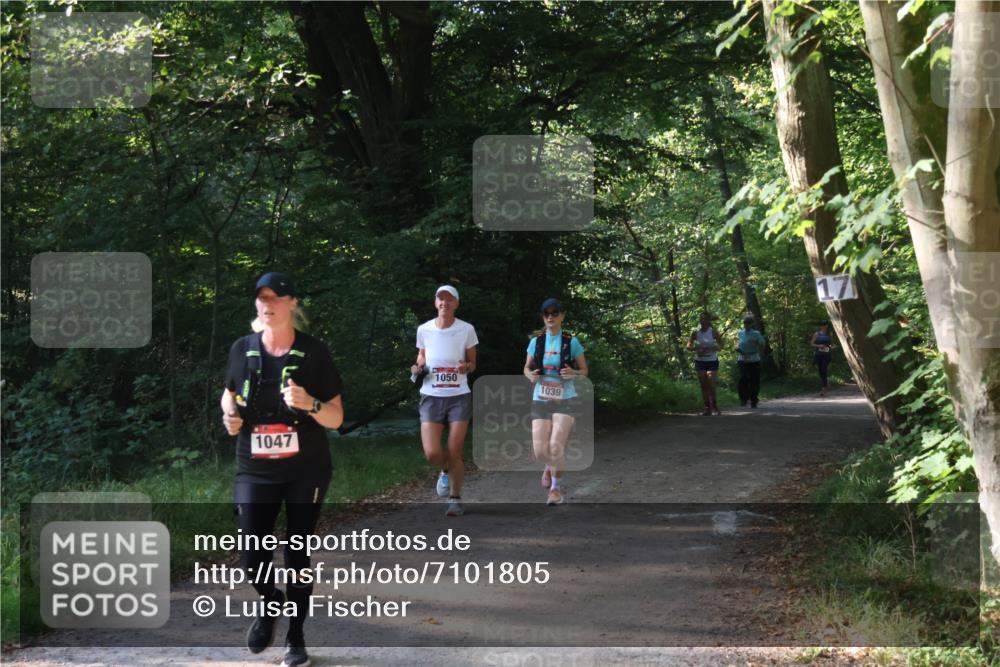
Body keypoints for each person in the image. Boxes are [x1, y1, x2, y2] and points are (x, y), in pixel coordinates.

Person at [221, 272, 344, 667]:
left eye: (276, 297)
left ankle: (296, 638)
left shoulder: (315, 352)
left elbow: (337, 418)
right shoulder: (242, 349)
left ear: (292, 302)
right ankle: (271, 601)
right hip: (254, 467)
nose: (267, 303)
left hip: (305, 468)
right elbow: (228, 393)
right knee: (251, 553)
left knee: (296, 553)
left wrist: (309, 403)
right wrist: (229, 416)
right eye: (261, 297)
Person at [410, 285, 479, 516]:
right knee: (432, 453)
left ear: (456, 304)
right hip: (431, 395)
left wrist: (465, 367)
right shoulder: (424, 329)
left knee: (454, 450)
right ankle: (445, 470)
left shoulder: (466, 329)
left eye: (449, 300)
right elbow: (422, 354)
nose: (444, 304)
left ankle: (455, 498)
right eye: (441, 299)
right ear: (435, 303)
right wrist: (418, 366)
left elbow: (473, 363)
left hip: (458, 395)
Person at [523, 298, 588, 505]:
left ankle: (555, 489)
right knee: (541, 451)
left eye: (555, 313)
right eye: (546, 313)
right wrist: (530, 375)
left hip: (565, 398)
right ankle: (548, 466)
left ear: (562, 315)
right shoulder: (536, 342)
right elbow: (526, 368)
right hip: (541, 396)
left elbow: (584, 371)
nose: (550, 317)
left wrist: (574, 373)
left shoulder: (571, 342)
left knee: (555, 446)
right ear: (543, 316)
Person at [688, 312, 724, 415]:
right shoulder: (695, 333)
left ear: (708, 321)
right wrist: (696, 348)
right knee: (703, 385)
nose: (702, 320)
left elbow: (721, 345)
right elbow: (688, 346)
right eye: (700, 318)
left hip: (712, 360)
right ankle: (707, 407)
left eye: (704, 319)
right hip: (700, 361)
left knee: (711, 385)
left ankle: (715, 406)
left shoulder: (713, 332)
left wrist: (712, 348)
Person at [736, 315, 767, 408]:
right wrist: (737, 348)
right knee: (744, 378)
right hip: (742, 358)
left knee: (754, 380)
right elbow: (738, 344)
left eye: (748, 323)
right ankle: (743, 399)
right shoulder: (740, 333)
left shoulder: (756, 333)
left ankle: (754, 400)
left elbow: (762, 343)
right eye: (745, 323)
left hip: (753, 358)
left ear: (751, 324)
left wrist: (760, 343)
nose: (746, 324)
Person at [810, 320, 836, 397]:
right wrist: (819, 346)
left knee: (824, 370)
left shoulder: (830, 334)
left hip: (827, 354)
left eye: (825, 325)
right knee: (820, 371)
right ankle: (826, 382)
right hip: (818, 354)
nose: (824, 326)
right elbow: (811, 343)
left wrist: (833, 347)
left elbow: (831, 344)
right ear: (820, 326)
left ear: (827, 325)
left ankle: (823, 389)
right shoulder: (817, 334)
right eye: (822, 325)